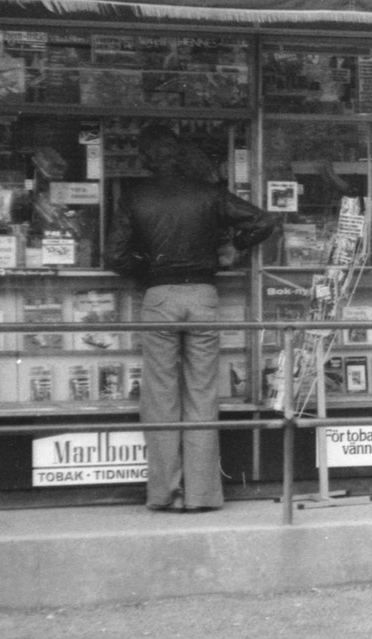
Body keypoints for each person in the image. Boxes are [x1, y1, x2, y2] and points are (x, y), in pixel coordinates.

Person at [107, 124, 278, 512]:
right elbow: (264, 221)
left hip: (159, 298)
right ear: (181, 155)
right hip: (203, 296)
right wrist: (234, 246)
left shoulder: (135, 197)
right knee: (202, 395)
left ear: (147, 159)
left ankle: (165, 493)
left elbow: (115, 257)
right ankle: (202, 495)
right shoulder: (209, 194)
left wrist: (148, 268)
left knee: (160, 397)